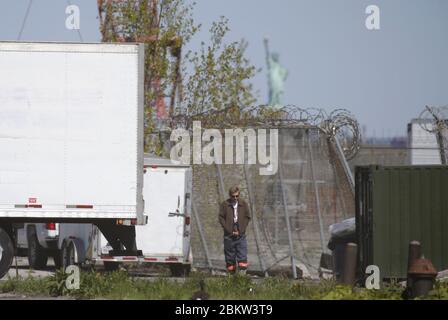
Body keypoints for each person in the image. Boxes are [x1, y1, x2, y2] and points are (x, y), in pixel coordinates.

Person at [218, 186, 251, 274]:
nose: (235, 198)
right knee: (230, 259)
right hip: (229, 236)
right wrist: (228, 229)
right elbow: (221, 218)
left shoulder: (243, 204)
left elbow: (247, 217)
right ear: (230, 195)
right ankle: (231, 278)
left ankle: (241, 278)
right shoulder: (225, 205)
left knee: (242, 257)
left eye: (237, 196)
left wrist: (242, 229)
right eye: (233, 196)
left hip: (241, 235)